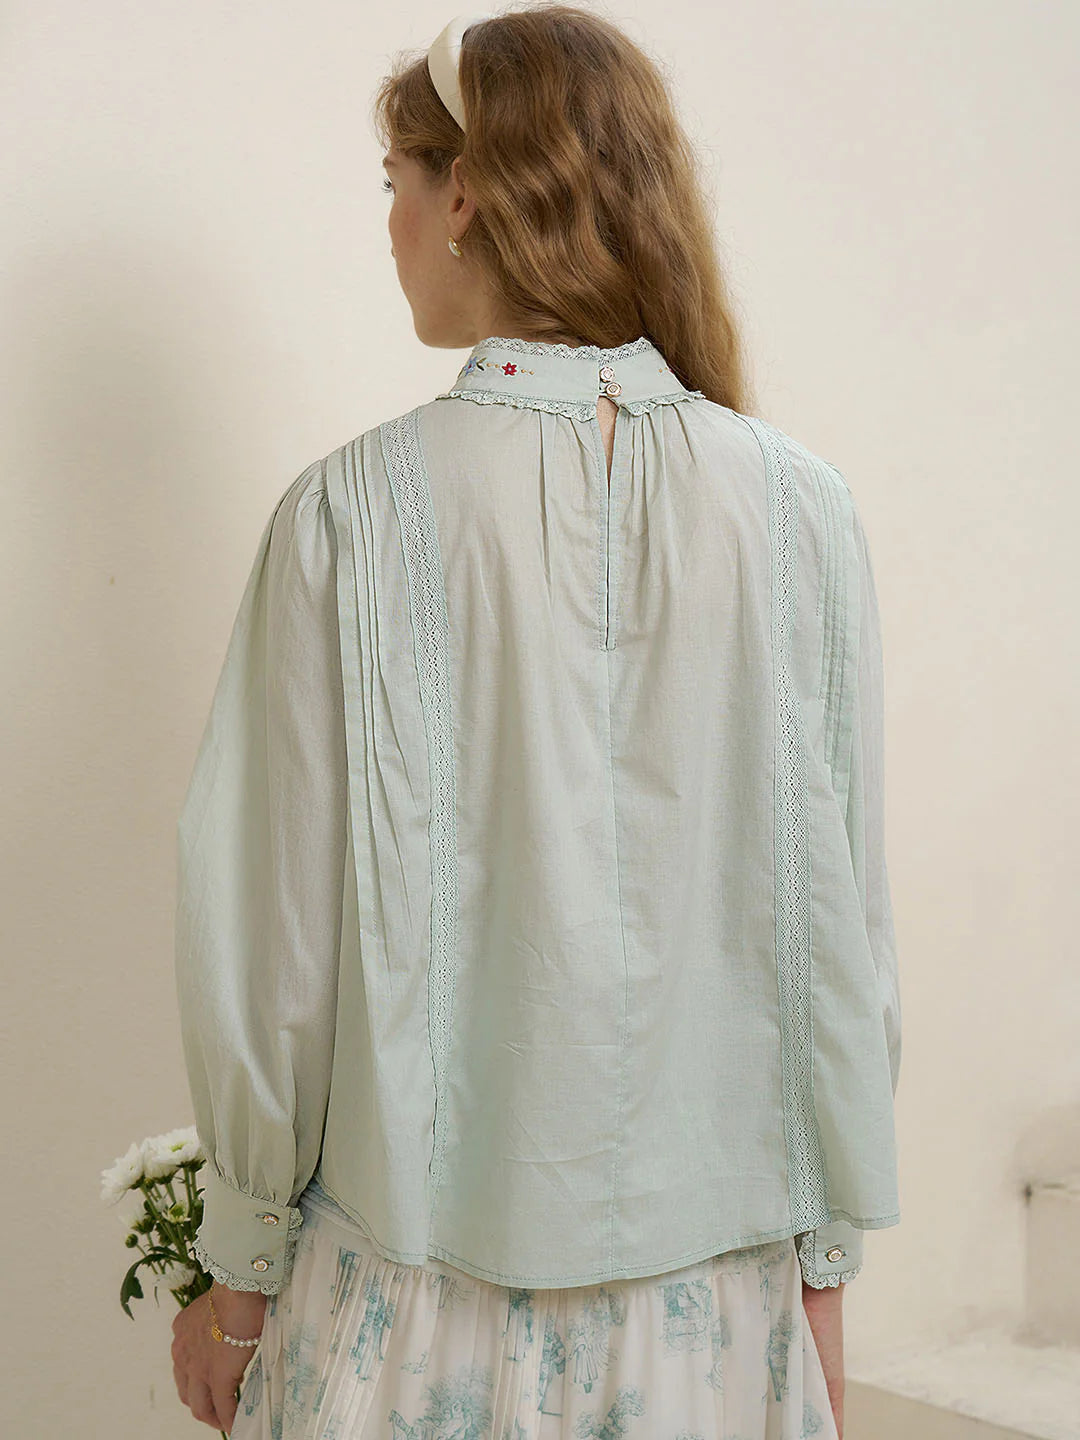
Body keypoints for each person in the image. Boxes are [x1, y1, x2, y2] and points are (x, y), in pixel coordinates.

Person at [169, 7, 901, 1438]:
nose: (388, 223)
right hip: (717, 1316)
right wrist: (822, 1271)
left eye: (394, 179)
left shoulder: (349, 516)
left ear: (467, 194)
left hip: (410, 1306)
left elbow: (272, 937)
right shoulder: (802, 512)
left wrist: (242, 1271)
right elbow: (843, 936)